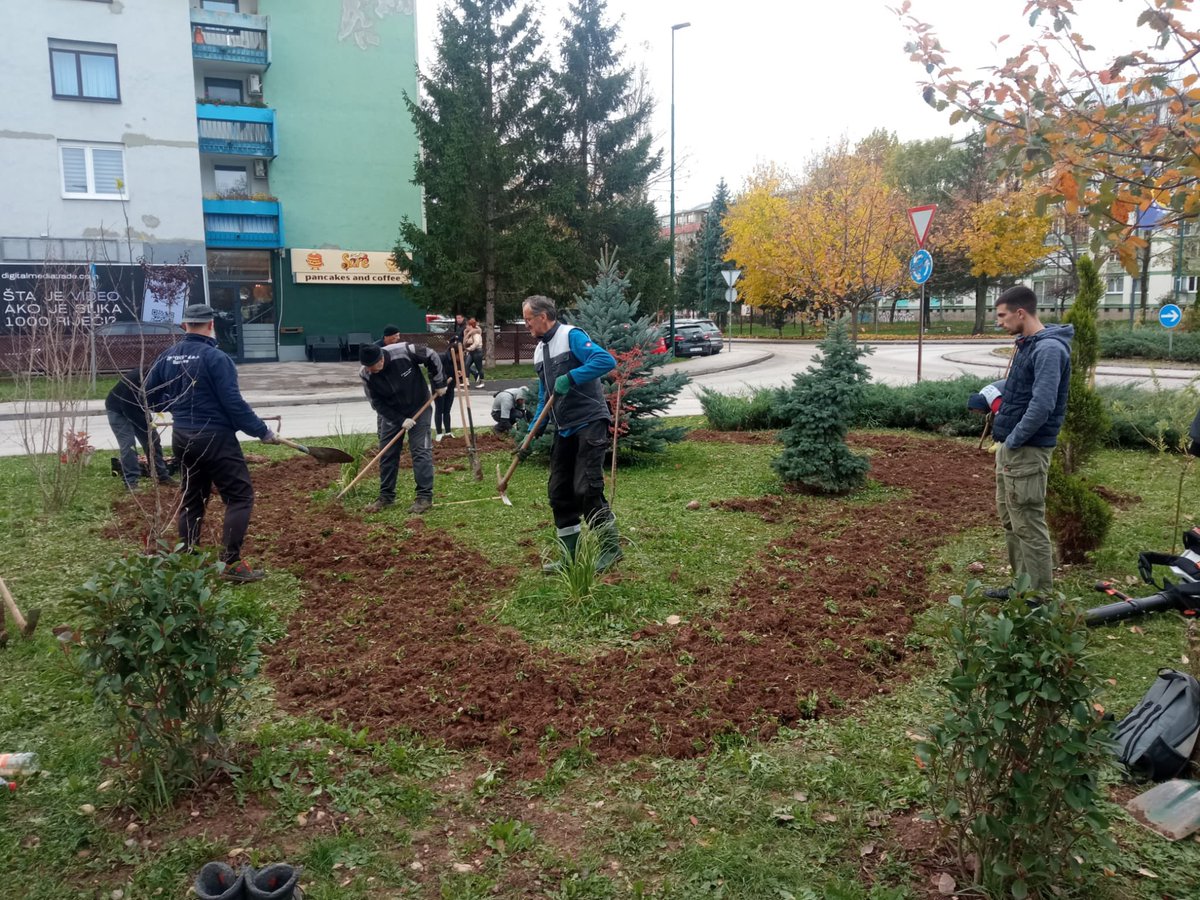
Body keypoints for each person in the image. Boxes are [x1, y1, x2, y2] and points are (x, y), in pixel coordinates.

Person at [144, 304, 279, 583]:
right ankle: (231, 564)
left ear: (185, 326)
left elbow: (148, 395)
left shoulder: (167, 356)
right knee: (240, 496)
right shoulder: (216, 358)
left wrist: (176, 406)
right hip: (215, 438)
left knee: (192, 499)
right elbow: (233, 403)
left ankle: (187, 559)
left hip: (182, 436)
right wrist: (262, 431)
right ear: (211, 325)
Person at [520, 295, 620, 573]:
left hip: (589, 421)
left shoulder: (570, 336)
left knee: (586, 488)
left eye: (528, 319)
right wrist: (533, 431)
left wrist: (571, 377)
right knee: (559, 491)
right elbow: (545, 395)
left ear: (543, 316)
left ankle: (611, 549)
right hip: (564, 428)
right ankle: (569, 557)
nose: (526, 325)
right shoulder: (540, 351)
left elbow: (605, 360)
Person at [986, 286, 1073, 599]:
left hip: (1027, 450)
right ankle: (1020, 588)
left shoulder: (1048, 349)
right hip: (1012, 449)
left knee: (1028, 522)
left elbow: (1042, 404)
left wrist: (1014, 440)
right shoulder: (1029, 345)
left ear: (1020, 313)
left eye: (1002, 315)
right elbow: (1022, 390)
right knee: (1012, 521)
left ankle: (1038, 597)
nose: (999, 322)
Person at [358, 341, 447, 513]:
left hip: (419, 407)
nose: (370, 370)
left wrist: (439, 382)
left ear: (381, 359)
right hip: (393, 414)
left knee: (420, 451)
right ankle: (386, 497)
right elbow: (377, 404)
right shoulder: (366, 374)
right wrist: (400, 420)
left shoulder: (405, 351)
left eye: (372, 366)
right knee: (387, 453)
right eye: (367, 367)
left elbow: (431, 355)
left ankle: (424, 498)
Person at [106, 368, 176, 490]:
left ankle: (162, 476)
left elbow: (159, 402)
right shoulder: (136, 380)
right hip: (118, 409)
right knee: (129, 445)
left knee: (153, 440)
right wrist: (146, 426)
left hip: (139, 407)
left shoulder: (161, 379)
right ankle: (131, 482)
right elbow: (128, 408)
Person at [433, 343, 457, 442]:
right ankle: (439, 433)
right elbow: (434, 372)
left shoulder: (458, 360)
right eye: (461, 353)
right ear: (454, 353)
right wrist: (441, 384)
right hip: (439, 388)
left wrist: (458, 375)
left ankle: (448, 431)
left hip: (450, 388)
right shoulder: (441, 357)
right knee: (439, 410)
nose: (463, 356)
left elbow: (457, 373)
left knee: (447, 410)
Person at [464, 317, 485, 387]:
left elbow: (476, 343)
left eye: (467, 326)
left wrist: (469, 348)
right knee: (466, 364)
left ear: (470, 326)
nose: (466, 327)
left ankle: (482, 382)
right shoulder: (469, 333)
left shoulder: (476, 333)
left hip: (477, 351)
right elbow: (468, 341)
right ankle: (466, 381)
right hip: (471, 352)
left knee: (479, 367)